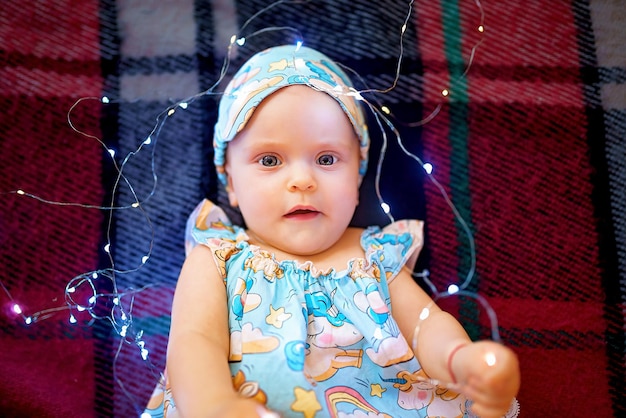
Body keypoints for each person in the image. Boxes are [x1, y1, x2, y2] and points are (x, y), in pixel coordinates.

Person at [143, 44, 520, 418]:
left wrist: (461, 360)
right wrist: (214, 405)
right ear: (231, 183)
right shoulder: (219, 257)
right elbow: (193, 341)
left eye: (326, 159)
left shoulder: (374, 256)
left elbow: (426, 325)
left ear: (357, 176)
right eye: (270, 160)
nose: (302, 180)